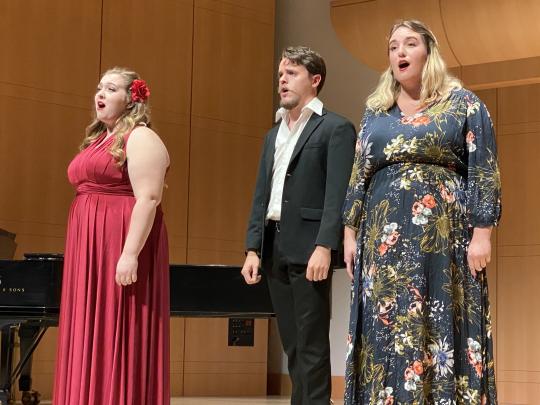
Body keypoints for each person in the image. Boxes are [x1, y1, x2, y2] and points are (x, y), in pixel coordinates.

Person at [342, 20, 502, 404]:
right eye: (393, 45)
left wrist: (482, 233)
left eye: (410, 44)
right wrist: (349, 232)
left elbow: (484, 168)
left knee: (439, 320)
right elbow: (358, 173)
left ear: (428, 53)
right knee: (388, 323)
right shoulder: (375, 112)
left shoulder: (463, 104)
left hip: (443, 244)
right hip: (383, 244)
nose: (399, 52)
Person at [241, 46, 356, 405]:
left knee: (312, 345)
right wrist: (253, 248)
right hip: (275, 246)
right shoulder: (272, 135)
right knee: (292, 344)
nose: (283, 81)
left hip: (310, 248)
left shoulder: (335, 128)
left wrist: (325, 246)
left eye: (291, 74)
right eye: (280, 75)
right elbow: (262, 195)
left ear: (315, 79)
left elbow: (338, 195)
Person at [53, 67, 170, 405]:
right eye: (99, 87)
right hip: (88, 245)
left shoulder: (142, 137)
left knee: (118, 324)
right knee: (90, 327)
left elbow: (148, 198)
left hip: (118, 241)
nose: (99, 94)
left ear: (131, 98)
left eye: (111, 88)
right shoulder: (101, 138)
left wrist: (130, 253)